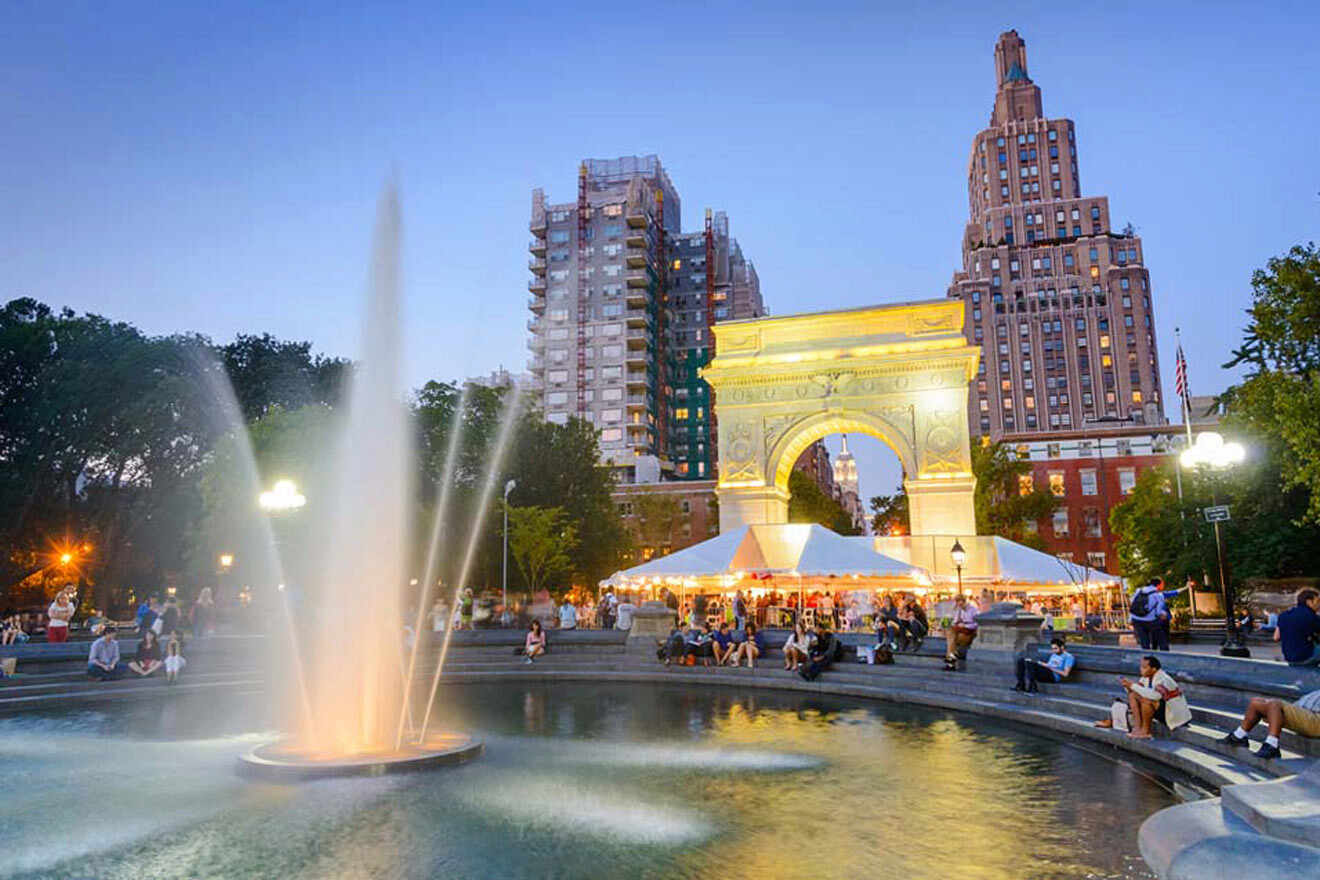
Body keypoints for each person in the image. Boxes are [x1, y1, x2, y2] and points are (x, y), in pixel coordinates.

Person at [1096, 655, 1190, 739]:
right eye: (1141, 666)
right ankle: (1137, 728)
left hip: (1173, 713)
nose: (1141, 669)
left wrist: (1132, 685)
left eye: (1144, 667)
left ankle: (1145, 732)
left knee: (1147, 700)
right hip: (1161, 709)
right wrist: (1128, 686)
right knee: (1133, 695)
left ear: (1153, 669)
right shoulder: (1146, 677)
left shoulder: (1163, 678)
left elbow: (1155, 696)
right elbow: (1137, 690)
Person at [1220, 687, 1320, 760]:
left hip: (1316, 720)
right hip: (1307, 714)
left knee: (1275, 704)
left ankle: (1272, 745)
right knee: (1256, 702)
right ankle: (1239, 736)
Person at [1274, 588, 1320, 667]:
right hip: (1305, 657)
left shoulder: (1283, 615)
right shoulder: (1311, 616)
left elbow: (1276, 637)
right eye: (1318, 602)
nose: (1319, 605)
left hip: (1289, 658)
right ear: (1309, 602)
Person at [943, 595, 978, 672]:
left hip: (969, 631)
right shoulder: (959, 610)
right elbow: (954, 622)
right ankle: (951, 658)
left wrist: (965, 625)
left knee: (951, 637)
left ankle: (950, 658)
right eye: (958, 603)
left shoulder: (973, 609)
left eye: (960, 603)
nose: (959, 605)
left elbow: (976, 624)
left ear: (964, 601)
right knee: (950, 633)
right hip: (960, 631)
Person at [1128, 578, 1164, 650]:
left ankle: (1146, 655)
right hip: (1150, 620)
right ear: (1159, 585)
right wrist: (1163, 614)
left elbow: (1133, 604)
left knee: (1143, 640)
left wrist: (1130, 618)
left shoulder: (1139, 591)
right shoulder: (1158, 595)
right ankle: (1157, 650)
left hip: (1136, 619)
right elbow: (1158, 612)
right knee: (1158, 635)